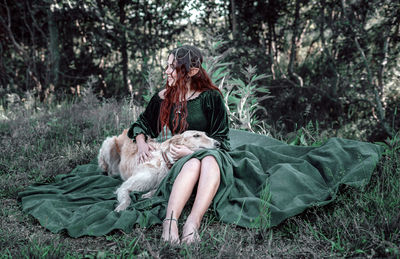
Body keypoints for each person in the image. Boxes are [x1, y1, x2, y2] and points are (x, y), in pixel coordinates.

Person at [127, 45, 230, 244]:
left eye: (173, 67)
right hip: (182, 159)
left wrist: (190, 152)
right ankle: (170, 222)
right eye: (167, 66)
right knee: (192, 163)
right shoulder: (164, 98)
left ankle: (192, 222)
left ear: (191, 71)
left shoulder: (211, 97)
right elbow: (144, 124)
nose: (167, 71)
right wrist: (141, 143)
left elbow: (222, 139)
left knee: (207, 158)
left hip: (212, 155)